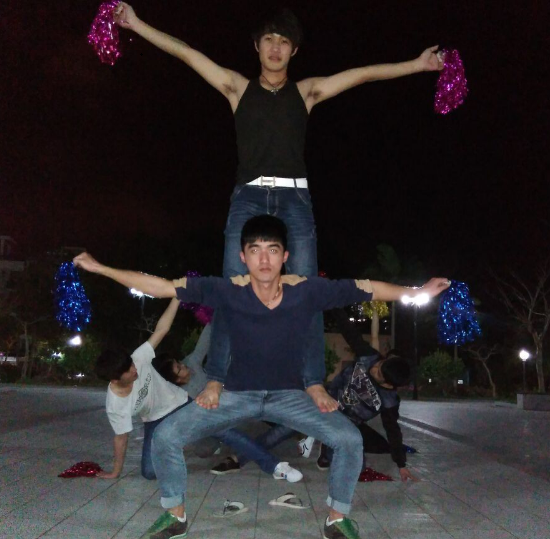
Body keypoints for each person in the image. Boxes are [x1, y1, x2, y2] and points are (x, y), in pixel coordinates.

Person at [112, 3, 444, 413]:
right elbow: (186, 53)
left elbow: (363, 74)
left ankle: (311, 380)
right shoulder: (237, 87)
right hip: (248, 195)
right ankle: (217, 376)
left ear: (294, 50)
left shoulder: (306, 92)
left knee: (306, 290)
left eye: (284, 41)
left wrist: (417, 65)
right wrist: (136, 23)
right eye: (268, 39)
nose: (275, 47)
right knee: (232, 286)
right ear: (257, 46)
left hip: (295, 198)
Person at [74, 214, 449, 539]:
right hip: (237, 394)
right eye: (255, 250)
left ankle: (337, 519)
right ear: (243, 257)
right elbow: (159, 287)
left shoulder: (307, 291)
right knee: (166, 436)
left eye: (272, 249)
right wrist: (101, 269)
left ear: (285, 256)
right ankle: (175, 515)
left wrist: (416, 292)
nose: (264, 259)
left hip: (290, 396)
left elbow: (366, 288)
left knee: (349, 439)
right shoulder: (226, 291)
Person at [153, 323, 303, 482]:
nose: (183, 365)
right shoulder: (178, 395)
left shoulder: (192, 362)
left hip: (234, 409)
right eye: (179, 368)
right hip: (210, 420)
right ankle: (239, 447)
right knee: (204, 449)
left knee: (290, 426)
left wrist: (219, 315)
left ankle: (268, 464)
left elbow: (206, 338)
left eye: (178, 362)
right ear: (176, 380)